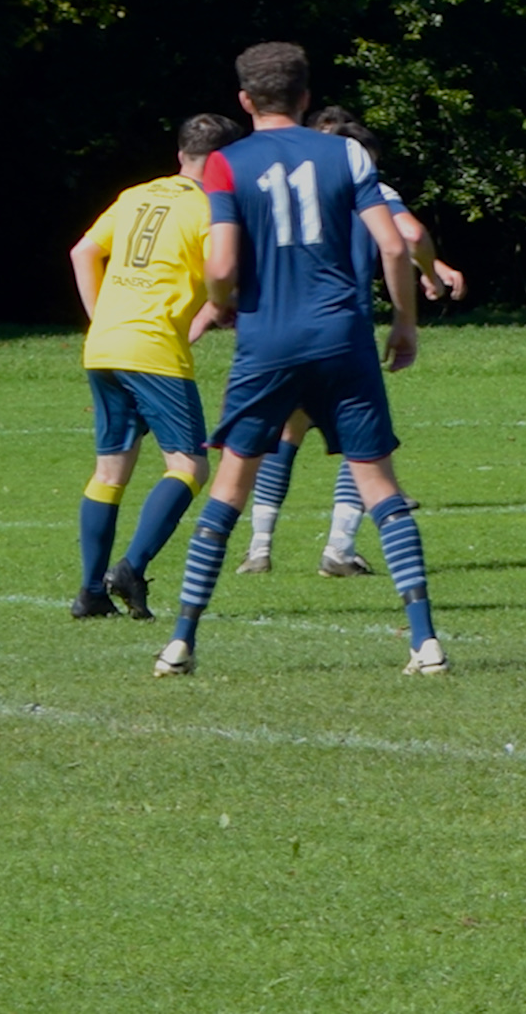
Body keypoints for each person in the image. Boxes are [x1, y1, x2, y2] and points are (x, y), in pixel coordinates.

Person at [152, 42, 447, 677]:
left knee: (230, 486)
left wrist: (222, 301)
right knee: (381, 486)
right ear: (307, 97)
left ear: (244, 100)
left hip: (269, 342)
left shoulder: (228, 165)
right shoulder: (347, 151)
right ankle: (424, 641)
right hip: (342, 335)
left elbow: (224, 265)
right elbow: (394, 246)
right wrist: (403, 321)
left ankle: (181, 640)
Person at [238, 106, 465, 577]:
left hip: (282, 328)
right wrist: (429, 270)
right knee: (360, 442)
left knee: (286, 433)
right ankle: (339, 549)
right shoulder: (368, 186)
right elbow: (410, 233)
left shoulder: (289, 180)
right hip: (344, 331)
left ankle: (258, 547)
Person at [67, 112, 242, 620]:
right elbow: (221, 272)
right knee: (189, 466)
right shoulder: (211, 208)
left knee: (110, 470)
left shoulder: (136, 194)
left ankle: (89, 593)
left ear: (180, 153)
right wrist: (218, 308)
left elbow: (83, 252)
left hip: (104, 345)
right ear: (224, 161)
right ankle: (130, 567)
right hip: (155, 349)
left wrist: (102, 318)